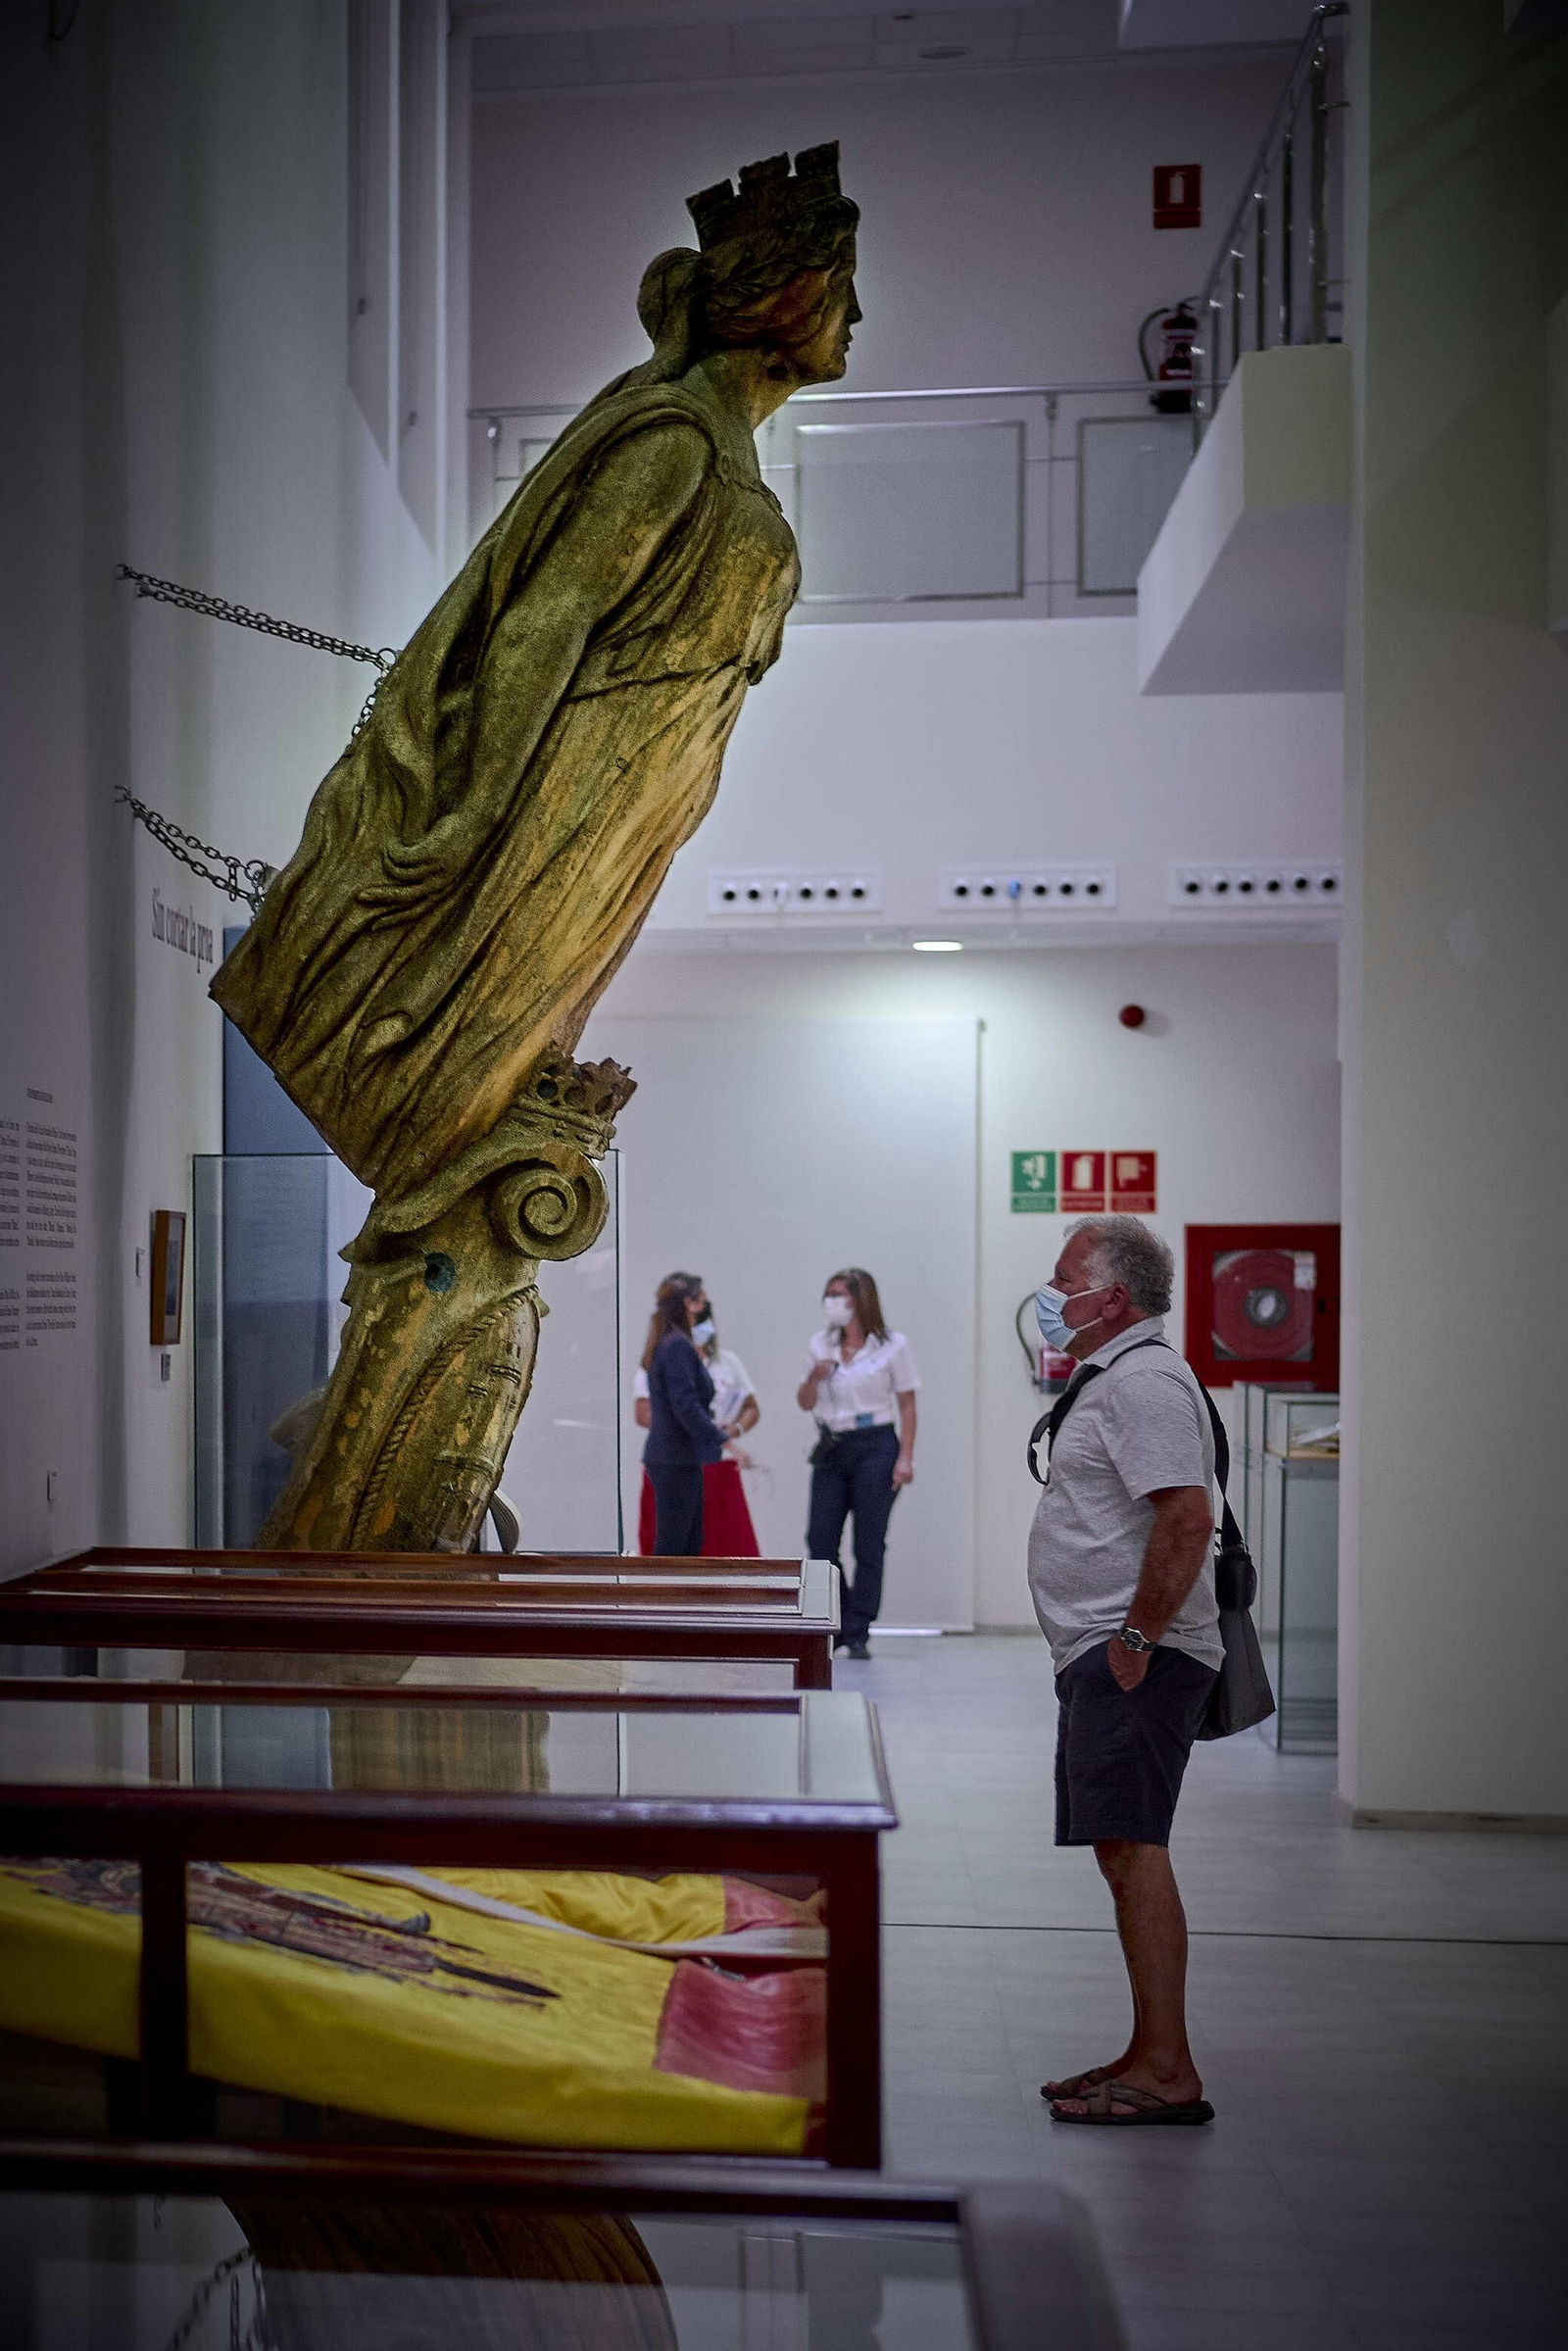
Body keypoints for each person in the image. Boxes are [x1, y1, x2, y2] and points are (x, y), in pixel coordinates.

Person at [1028, 1215, 1222, 2128]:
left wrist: (1136, 1642)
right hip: (1110, 1647)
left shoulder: (1142, 1381)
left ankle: (1169, 2069)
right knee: (1122, 1847)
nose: (1050, 1294)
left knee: (1135, 1847)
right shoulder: (1119, 1375)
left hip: (1136, 1651)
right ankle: (1150, 2050)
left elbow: (1186, 1514)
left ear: (1112, 1297)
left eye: (1064, 1279)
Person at [797, 1268, 918, 1659]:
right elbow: (804, 1402)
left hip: (877, 1446)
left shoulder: (893, 1346)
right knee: (820, 1539)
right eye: (828, 1294)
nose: (831, 1301)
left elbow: (907, 1404)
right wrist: (815, 1377)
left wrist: (905, 1458)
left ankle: (859, 1627)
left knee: (868, 1542)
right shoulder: (820, 1344)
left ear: (861, 1299)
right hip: (833, 1445)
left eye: (840, 1294)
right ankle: (837, 1619)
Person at [634, 1303, 761, 1554]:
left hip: (718, 1465)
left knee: (724, 1547)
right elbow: (643, 1412)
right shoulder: (657, 1360)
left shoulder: (726, 1362)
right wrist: (686, 1426)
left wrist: (734, 1429)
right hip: (675, 1461)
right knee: (672, 1546)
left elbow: (751, 1407)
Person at [641, 1271, 729, 1555]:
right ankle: (660, 1599)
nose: (705, 1307)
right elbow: (686, 1404)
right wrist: (721, 1437)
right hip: (674, 1458)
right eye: (701, 1300)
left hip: (675, 1457)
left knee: (687, 1541)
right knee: (674, 1545)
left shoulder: (669, 1342)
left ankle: (672, 1598)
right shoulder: (677, 1345)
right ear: (690, 1304)